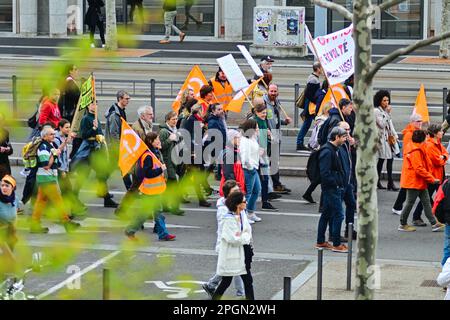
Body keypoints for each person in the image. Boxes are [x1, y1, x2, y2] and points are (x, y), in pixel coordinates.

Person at [125, 132, 176, 241]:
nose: (159, 141)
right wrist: (160, 169)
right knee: (146, 214)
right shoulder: (148, 156)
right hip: (149, 191)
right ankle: (130, 230)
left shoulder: (154, 152)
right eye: (157, 139)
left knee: (157, 213)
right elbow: (147, 174)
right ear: (150, 142)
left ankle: (163, 234)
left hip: (154, 190)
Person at [31, 126, 80, 233]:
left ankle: (34, 224)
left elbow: (57, 150)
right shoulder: (43, 147)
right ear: (44, 136)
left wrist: (65, 142)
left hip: (46, 177)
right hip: (46, 177)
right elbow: (46, 165)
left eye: (54, 134)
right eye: (51, 134)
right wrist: (54, 154)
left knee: (41, 201)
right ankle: (66, 222)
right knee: (58, 200)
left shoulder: (49, 144)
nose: (54, 136)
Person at [202, 180, 246, 298]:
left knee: (231, 270)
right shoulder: (224, 210)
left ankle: (212, 285)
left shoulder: (237, 205)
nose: (238, 193)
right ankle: (240, 294)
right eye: (235, 191)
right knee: (235, 270)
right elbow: (225, 229)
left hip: (234, 242)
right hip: (227, 244)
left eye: (238, 190)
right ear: (228, 194)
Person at [71, 101, 118, 208]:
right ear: (88, 106)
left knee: (102, 175)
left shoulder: (95, 118)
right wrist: (93, 129)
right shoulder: (86, 119)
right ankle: (73, 197)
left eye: (96, 104)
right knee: (83, 176)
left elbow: (99, 133)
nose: (94, 106)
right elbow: (83, 135)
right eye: (92, 104)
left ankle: (106, 199)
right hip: (89, 151)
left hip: (97, 150)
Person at [397, 129, 445, 232]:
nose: (427, 138)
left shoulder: (414, 148)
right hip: (414, 181)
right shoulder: (416, 151)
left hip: (416, 181)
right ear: (422, 138)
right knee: (412, 202)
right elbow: (419, 168)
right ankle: (403, 223)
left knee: (426, 201)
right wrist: (431, 178)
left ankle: (434, 223)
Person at [212, 191, 254, 300]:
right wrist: (245, 237)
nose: (246, 202)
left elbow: (246, 232)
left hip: (242, 253)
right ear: (237, 204)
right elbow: (233, 238)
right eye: (244, 201)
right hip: (233, 255)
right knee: (227, 281)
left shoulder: (241, 214)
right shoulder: (229, 219)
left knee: (247, 280)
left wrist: (244, 236)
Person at [315, 127, 348, 253]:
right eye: (343, 137)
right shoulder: (328, 151)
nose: (345, 139)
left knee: (327, 214)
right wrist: (336, 184)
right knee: (339, 214)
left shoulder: (333, 149)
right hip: (331, 188)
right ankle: (336, 244)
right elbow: (325, 172)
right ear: (336, 137)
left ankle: (321, 241)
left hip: (332, 187)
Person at [411, 124, 448, 226]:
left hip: (439, 173)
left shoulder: (437, 142)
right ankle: (417, 217)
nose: (442, 132)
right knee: (428, 198)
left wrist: (443, 157)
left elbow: (445, 154)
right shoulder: (430, 145)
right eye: (440, 131)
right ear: (435, 134)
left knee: (431, 197)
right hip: (433, 175)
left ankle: (420, 217)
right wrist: (443, 158)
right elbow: (437, 161)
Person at [392, 114, 424, 215]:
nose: (420, 123)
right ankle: (398, 207)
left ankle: (397, 206)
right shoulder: (410, 134)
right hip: (411, 165)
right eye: (418, 121)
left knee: (407, 188)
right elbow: (409, 150)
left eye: (421, 121)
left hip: (412, 164)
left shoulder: (414, 132)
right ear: (412, 122)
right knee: (409, 188)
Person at [263, 84, 292, 194]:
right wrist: (266, 131)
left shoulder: (277, 102)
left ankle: (276, 184)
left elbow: (274, 119)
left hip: (276, 134)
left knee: (274, 161)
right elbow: (260, 119)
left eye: (275, 91)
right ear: (267, 91)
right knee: (265, 161)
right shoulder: (263, 103)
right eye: (271, 91)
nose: (273, 93)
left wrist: (284, 122)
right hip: (266, 135)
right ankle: (267, 187)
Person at [249, 102, 278, 211]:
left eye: (265, 113)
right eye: (262, 113)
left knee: (264, 178)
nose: (264, 115)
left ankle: (265, 200)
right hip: (257, 155)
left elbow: (264, 134)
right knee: (259, 179)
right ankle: (254, 202)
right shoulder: (253, 121)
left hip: (263, 152)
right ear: (256, 112)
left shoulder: (262, 121)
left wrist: (268, 133)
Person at [54, 119, 86, 216]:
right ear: (60, 128)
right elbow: (56, 153)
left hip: (65, 168)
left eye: (69, 127)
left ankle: (67, 212)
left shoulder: (65, 137)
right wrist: (61, 169)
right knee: (67, 191)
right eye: (66, 127)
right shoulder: (56, 139)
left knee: (66, 192)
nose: (68, 129)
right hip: (60, 169)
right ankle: (69, 212)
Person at [302, 102, 333, 204]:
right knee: (322, 174)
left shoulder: (322, 119)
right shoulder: (323, 120)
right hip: (320, 148)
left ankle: (308, 193)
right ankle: (319, 199)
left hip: (320, 148)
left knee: (320, 175)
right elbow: (319, 136)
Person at [181, 104, 211, 207]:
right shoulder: (192, 120)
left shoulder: (195, 119)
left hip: (195, 150)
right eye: (203, 111)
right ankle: (201, 199)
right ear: (199, 111)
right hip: (192, 152)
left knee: (189, 174)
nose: (204, 113)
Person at [105, 90, 132, 190]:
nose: (128, 100)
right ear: (120, 99)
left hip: (119, 145)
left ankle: (130, 188)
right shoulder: (114, 115)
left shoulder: (121, 111)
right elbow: (114, 134)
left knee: (121, 167)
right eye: (126, 99)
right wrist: (118, 148)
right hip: (115, 147)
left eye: (129, 98)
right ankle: (101, 182)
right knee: (119, 167)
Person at [159, 111, 184, 215]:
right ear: (167, 120)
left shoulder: (174, 130)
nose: (175, 121)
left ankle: (165, 205)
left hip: (174, 160)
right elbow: (161, 147)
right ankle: (175, 207)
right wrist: (170, 139)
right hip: (168, 161)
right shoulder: (164, 132)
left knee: (169, 186)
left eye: (176, 119)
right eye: (173, 119)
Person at [374, 90, 399, 191]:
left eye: (387, 100)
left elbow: (390, 125)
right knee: (382, 160)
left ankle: (388, 181)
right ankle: (386, 182)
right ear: (379, 101)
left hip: (388, 139)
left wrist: (395, 135)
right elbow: (382, 124)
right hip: (381, 140)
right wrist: (387, 114)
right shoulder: (376, 111)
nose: (386, 102)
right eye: (384, 100)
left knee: (388, 159)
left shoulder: (384, 111)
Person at [239, 119, 262, 223]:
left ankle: (250, 212)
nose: (258, 128)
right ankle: (244, 216)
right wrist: (250, 168)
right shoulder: (245, 140)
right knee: (248, 193)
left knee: (257, 190)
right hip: (249, 169)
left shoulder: (252, 138)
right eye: (256, 127)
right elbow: (245, 157)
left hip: (253, 167)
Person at [338, 121, 357, 241]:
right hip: (340, 183)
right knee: (337, 211)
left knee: (351, 205)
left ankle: (349, 229)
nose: (348, 133)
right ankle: (333, 233)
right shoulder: (337, 145)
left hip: (348, 182)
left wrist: (353, 145)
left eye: (349, 130)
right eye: (345, 130)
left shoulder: (347, 144)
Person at [296, 61, 322, 151]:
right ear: (318, 69)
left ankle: (301, 143)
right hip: (310, 105)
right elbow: (308, 94)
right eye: (321, 68)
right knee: (307, 124)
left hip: (310, 104)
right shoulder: (314, 80)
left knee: (308, 124)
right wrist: (316, 100)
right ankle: (299, 143)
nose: (322, 70)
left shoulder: (313, 77)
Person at [0, 175, 18, 272]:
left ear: (13, 187)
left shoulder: (15, 199)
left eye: (7, 186)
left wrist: (14, 228)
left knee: (12, 241)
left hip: (9, 228)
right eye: (2, 185)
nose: (4, 188)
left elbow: (15, 214)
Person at [220, 130, 246, 197]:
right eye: (238, 137)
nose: (240, 139)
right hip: (232, 187)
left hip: (237, 185)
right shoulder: (229, 153)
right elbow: (228, 172)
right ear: (232, 138)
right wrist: (233, 186)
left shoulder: (235, 151)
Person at [0, 113, 13, 180]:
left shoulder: (5, 132)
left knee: (6, 184)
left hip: (4, 163)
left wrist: (8, 149)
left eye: (1, 120)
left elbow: (9, 146)